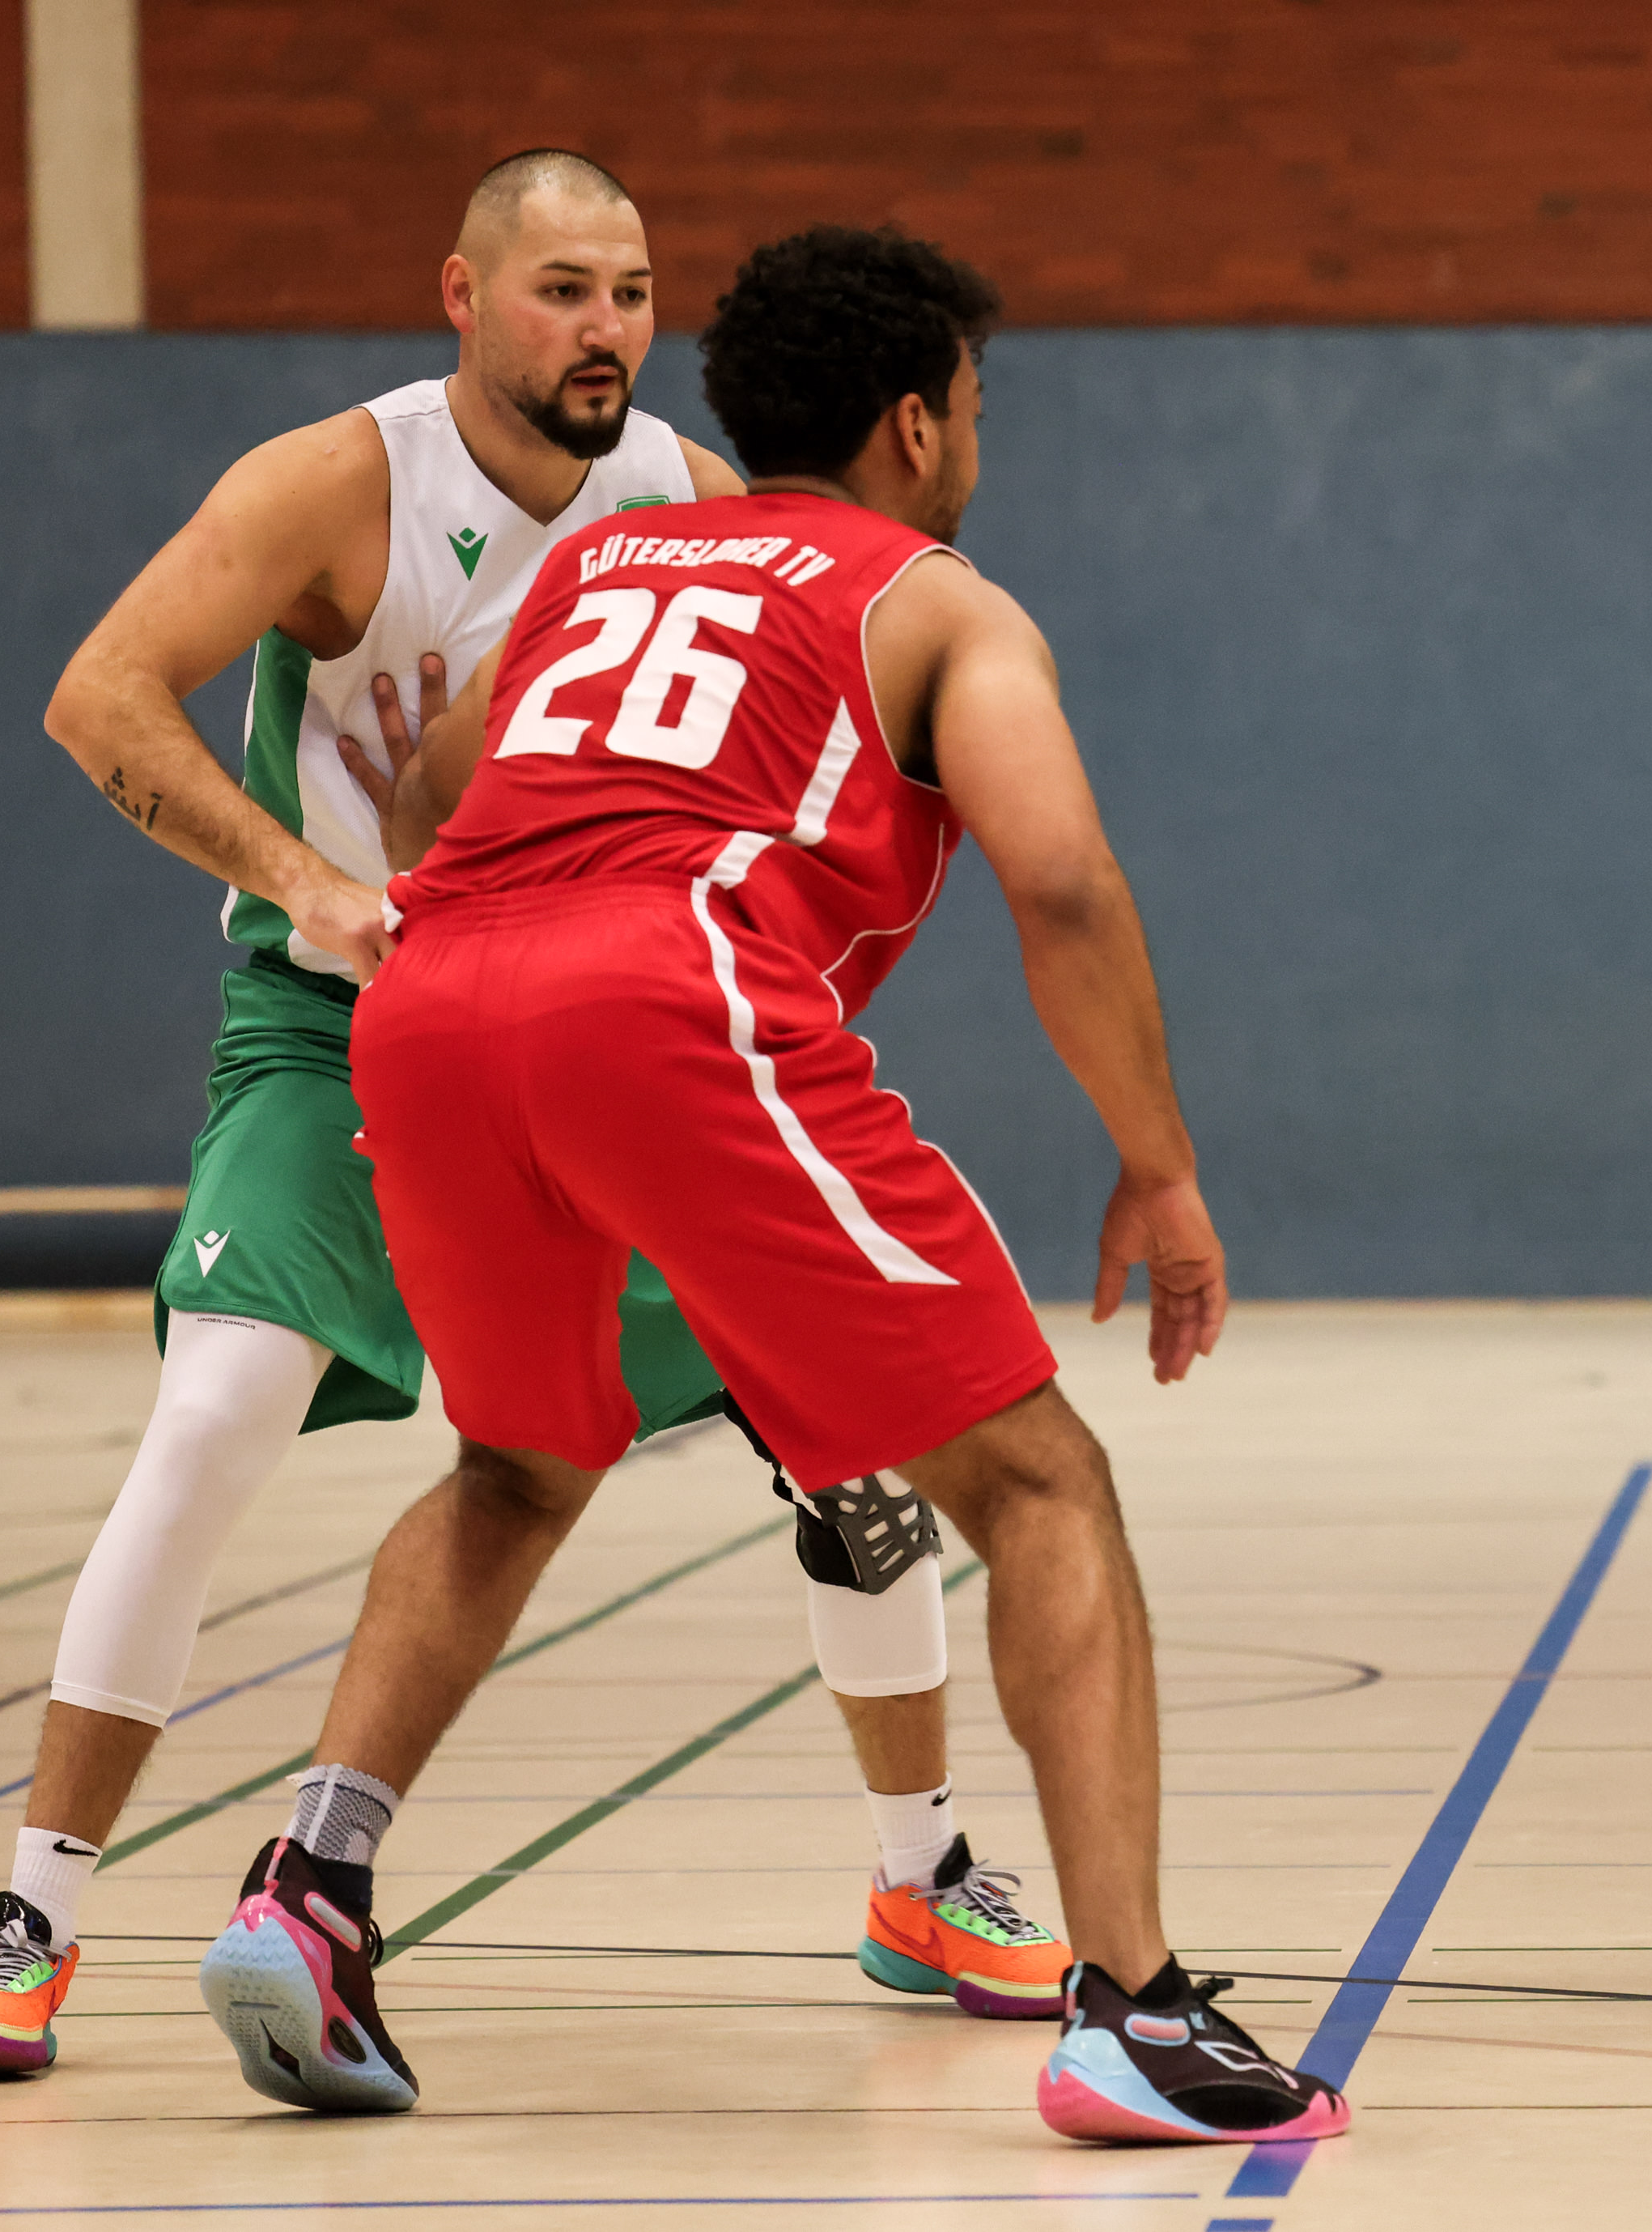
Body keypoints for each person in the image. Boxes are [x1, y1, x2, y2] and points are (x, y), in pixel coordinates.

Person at [193, 223, 1350, 2144]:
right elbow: (1063, 879)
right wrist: (1159, 1165)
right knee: (1040, 1481)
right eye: (974, 404)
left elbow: (428, 797)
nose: (975, 438)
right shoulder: (936, 600)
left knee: (517, 1466)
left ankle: (310, 1886)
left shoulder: (602, 566)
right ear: (918, 421)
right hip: (668, 998)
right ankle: (1136, 2011)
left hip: (430, 1005)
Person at [0, 154, 1059, 2081]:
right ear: (463, 294)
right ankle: (32, 1905)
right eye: (562, 290)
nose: (606, 328)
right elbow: (99, 697)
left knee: (850, 1450)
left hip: (598, 1032)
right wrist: (310, 880)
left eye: (631, 292)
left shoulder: (691, 498)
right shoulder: (335, 482)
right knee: (219, 1405)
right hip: (339, 1023)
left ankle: (920, 1869)